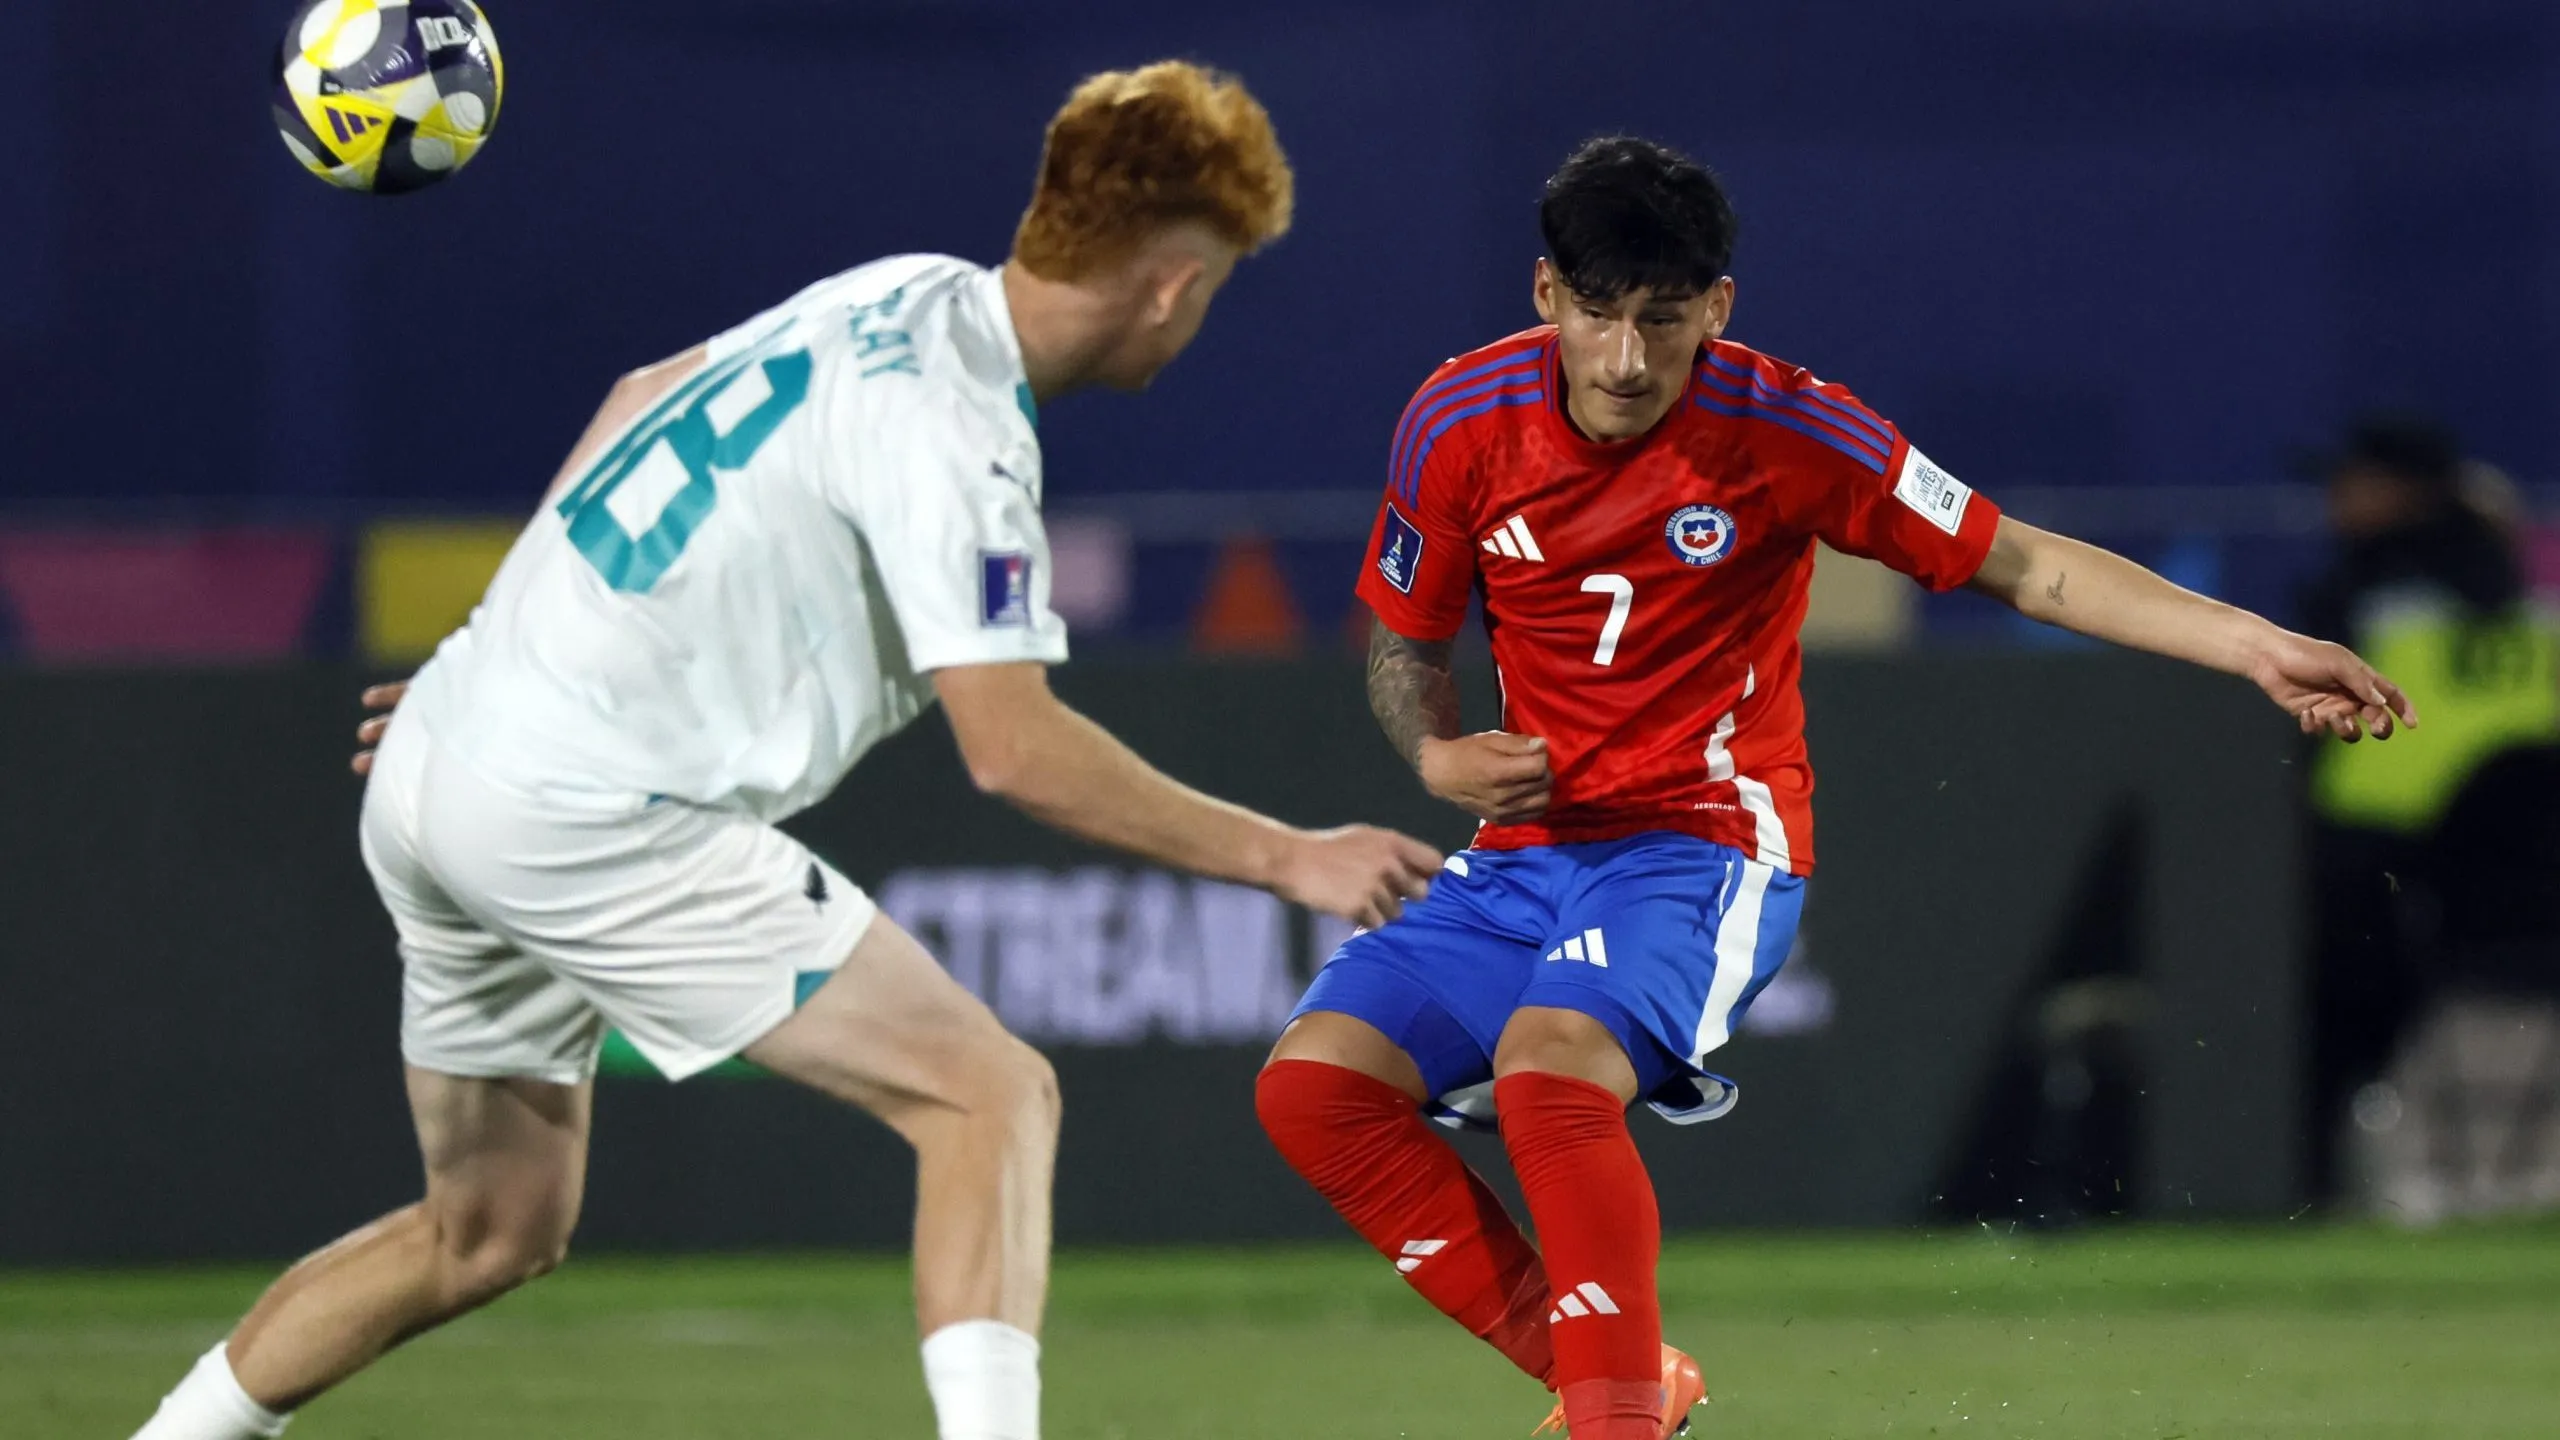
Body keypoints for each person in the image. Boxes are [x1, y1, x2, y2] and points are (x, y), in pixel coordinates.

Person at [129, 61, 1440, 1440]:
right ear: (1171, 284)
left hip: (449, 755)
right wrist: (1290, 855)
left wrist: (503, 648)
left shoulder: (900, 292)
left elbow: (641, 395)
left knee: (487, 1228)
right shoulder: (962, 439)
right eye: (1215, 282)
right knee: (990, 1098)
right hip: (590, 811)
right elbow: (1014, 751)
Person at [1251, 136, 2416, 1439]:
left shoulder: (1788, 430)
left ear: (1718, 307)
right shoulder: (1458, 419)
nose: (1626, 359)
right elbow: (1404, 645)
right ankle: (1624, 1381)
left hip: (1706, 842)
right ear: (1544, 295)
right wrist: (1435, 755)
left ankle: (1610, 1420)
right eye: (1597, 314)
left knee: (1548, 1074)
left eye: (1663, 319)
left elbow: (2022, 565)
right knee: (1314, 1088)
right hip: (1528, 855)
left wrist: (2255, 646)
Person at [2296, 414, 2560, 1199]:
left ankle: (2314, 1181)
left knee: (2319, 996)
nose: (2336, 498)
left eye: (2353, 480)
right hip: (2535, 897)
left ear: (2404, 492)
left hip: (2389, 883)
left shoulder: (2360, 597)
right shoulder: (2537, 603)